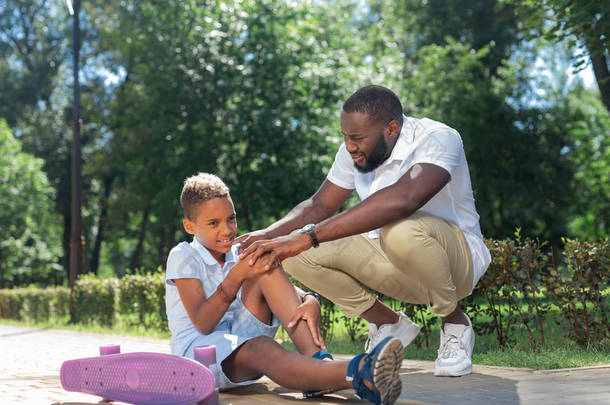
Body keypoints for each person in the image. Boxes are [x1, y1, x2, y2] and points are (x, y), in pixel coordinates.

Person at [237, 85, 491, 377]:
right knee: (294, 253)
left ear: (391, 129)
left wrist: (308, 236)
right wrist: (268, 234)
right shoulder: (355, 152)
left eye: (357, 138)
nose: (349, 146)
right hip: (394, 259)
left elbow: (404, 199)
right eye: (345, 136)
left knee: (398, 231)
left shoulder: (439, 138)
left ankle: (454, 323)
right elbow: (319, 205)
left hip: (455, 264)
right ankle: (387, 323)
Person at [165, 172, 405, 405]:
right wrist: (237, 275)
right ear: (190, 226)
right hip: (201, 356)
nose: (227, 230)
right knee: (262, 347)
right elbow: (203, 323)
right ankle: (359, 370)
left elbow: (284, 290)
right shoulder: (183, 256)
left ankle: (317, 361)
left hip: (238, 335)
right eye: (213, 223)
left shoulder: (236, 251)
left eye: (231, 218)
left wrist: (310, 299)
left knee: (264, 261)